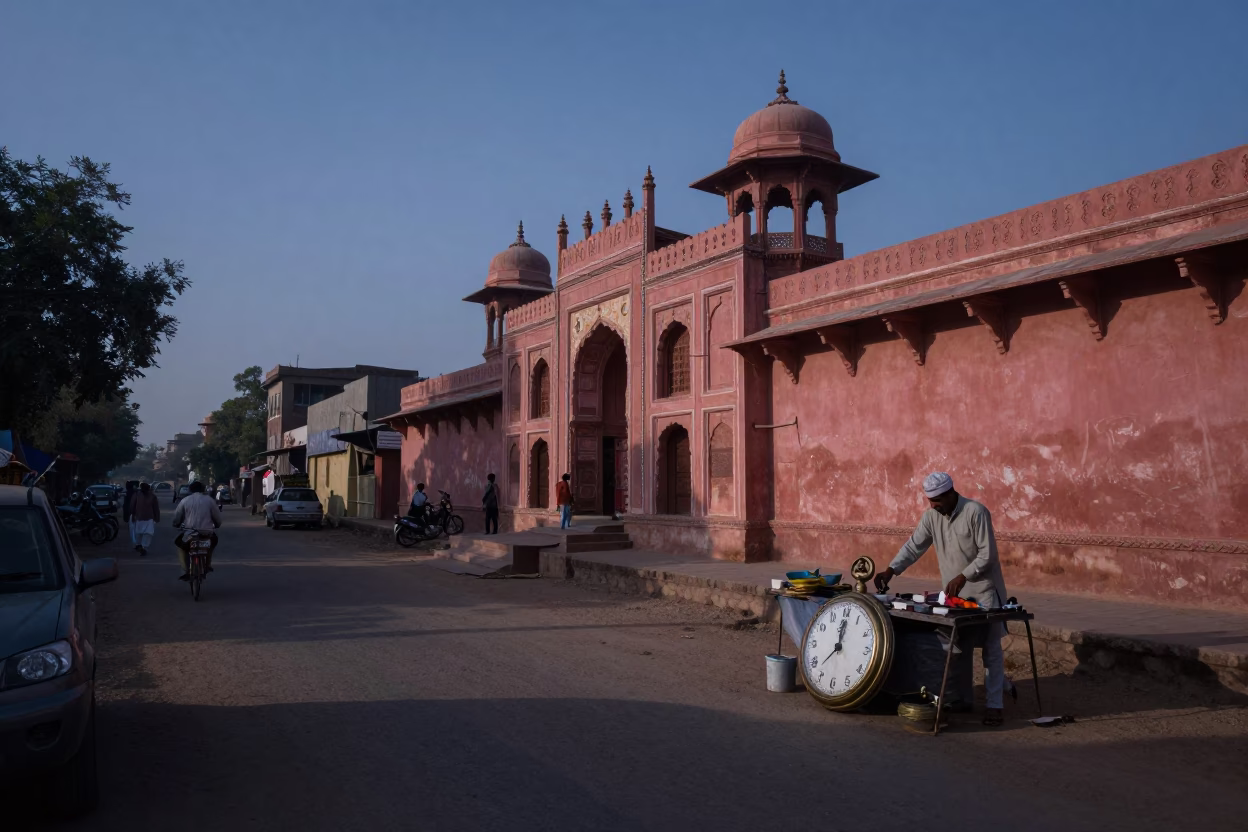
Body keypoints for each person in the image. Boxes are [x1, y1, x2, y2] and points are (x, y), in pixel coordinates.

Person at [874, 471, 1010, 727]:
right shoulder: (931, 516)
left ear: (951, 494)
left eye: (937, 500)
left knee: (991, 650)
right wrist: (891, 569)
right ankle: (961, 698)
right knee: (958, 648)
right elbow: (915, 546)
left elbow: (988, 554)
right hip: (956, 599)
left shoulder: (975, 512)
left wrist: (963, 576)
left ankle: (995, 705)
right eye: (929, 500)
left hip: (984, 591)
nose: (933, 505)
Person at [171, 480, 221, 581]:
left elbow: (177, 517)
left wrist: (176, 524)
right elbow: (217, 517)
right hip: (207, 533)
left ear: (190, 489)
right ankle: (208, 565)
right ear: (203, 489)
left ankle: (185, 570)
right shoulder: (209, 500)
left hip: (190, 533)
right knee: (211, 545)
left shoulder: (185, 500)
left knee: (181, 547)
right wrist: (216, 525)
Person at [130, 482, 161, 557]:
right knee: (148, 533)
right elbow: (156, 508)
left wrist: (132, 515)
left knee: (138, 533)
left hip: (139, 518)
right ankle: (144, 547)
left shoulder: (137, 495)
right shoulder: (152, 496)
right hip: (148, 518)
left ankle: (140, 545)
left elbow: (132, 506)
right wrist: (157, 518)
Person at [123, 481, 139, 550]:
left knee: (132, 530)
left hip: (131, 513)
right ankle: (137, 543)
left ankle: (135, 543)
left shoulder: (128, 494)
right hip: (137, 513)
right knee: (136, 529)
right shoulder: (137, 493)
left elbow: (126, 506)